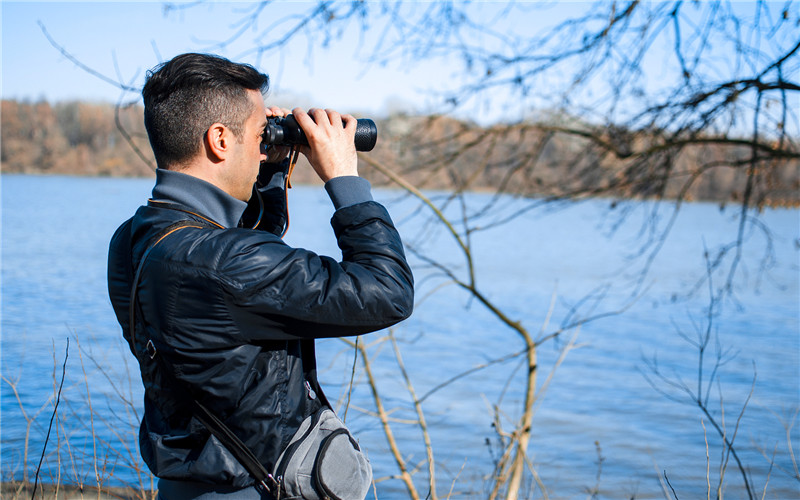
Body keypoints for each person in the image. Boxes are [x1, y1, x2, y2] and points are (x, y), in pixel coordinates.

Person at [107, 52, 414, 499]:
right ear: (219, 140)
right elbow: (387, 293)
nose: (262, 142)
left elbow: (244, 285)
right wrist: (345, 180)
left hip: (186, 484)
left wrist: (267, 170)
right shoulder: (223, 261)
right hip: (256, 487)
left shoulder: (133, 240)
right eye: (257, 134)